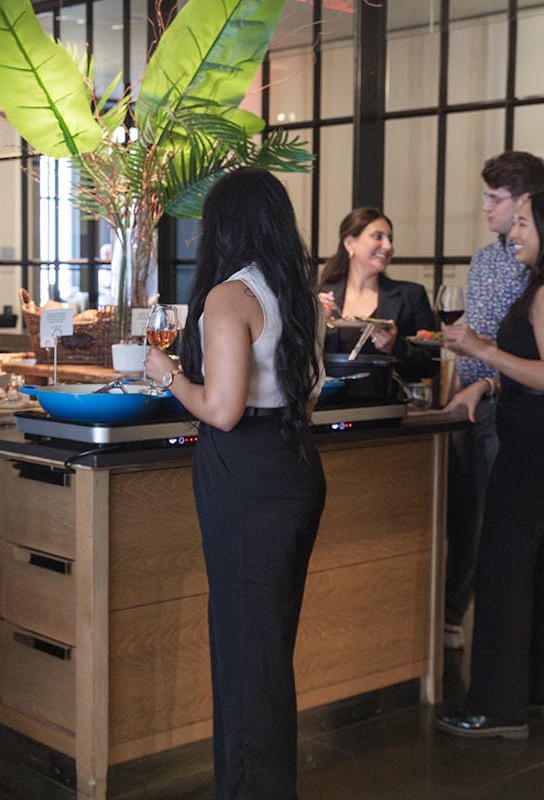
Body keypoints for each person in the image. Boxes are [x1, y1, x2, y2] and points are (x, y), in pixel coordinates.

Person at [143, 167, 326, 798]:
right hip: (294, 465)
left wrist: (166, 374)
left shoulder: (228, 297)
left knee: (247, 660)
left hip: (245, 475)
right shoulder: (296, 289)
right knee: (267, 652)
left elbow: (222, 408)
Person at [435, 189, 544, 739]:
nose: (514, 233)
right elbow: (534, 367)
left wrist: (481, 350)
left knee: (501, 562)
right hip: (541, 432)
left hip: (535, 439)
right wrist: (487, 384)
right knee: (539, 563)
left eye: (523, 223)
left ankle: (497, 709)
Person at [444, 152, 544, 650]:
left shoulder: (541, 269)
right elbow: (475, 338)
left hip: (507, 408)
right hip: (465, 404)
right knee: (462, 513)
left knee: (496, 527)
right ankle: (449, 615)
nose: (485, 206)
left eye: (494, 198)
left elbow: (538, 363)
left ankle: (500, 643)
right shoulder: (485, 258)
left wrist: (483, 383)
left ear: (525, 201)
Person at [316, 207, 439, 381]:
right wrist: (315, 324)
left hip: (386, 402)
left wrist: (395, 346)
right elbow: (296, 359)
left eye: (390, 239)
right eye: (378, 237)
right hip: (330, 404)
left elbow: (430, 365)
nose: (388, 246)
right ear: (350, 243)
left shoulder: (411, 295)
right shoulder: (319, 297)